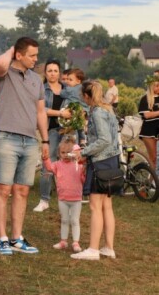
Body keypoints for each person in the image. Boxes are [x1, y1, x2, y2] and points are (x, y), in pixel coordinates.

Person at [0, 37, 49, 255]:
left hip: (29, 140)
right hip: (6, 138)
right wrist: (12, 48)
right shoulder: (3, 75)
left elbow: (40, 112)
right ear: (18, 55)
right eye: (32, 55)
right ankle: (2, 238)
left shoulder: (36, 79)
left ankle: (17, 237)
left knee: (22, 191)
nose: (36, 59)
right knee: (3, 190)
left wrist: (44, 140)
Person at [71, 81, 120, 260]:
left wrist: (83, 152)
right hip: (111, 161)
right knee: (107, 206)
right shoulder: (108, 109)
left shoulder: (98, 112)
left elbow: (104, 140)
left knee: (95, 206)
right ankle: (108, 247)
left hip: (101, 163)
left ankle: (93, 249)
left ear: (86, 96)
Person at [34, 59, 72, 212]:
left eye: (55, 71)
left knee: (68, 164)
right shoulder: (42, 89)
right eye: (49, 70)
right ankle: (44, 199)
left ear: (59, 72)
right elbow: (42, 110)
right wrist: (61, 113)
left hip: (67, 131)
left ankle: (69, 197)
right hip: (51, 130)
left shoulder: (67, 89)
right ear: (45, 73)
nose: (52, 73)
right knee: (47, 165)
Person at [43, 137, 85, 253]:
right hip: (62, 199)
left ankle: (76, 242)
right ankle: (63, 241)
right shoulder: (57, 164)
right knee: (64, 220)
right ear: (59, 153)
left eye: (68, 152)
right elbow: (49, 168)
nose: (66, 155)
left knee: (75, 220)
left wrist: (85, 170)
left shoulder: (79, 165)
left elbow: (83, 179)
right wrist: (46, 158)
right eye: (63, 152)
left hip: (76, 199)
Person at [138, 75, 159, 171]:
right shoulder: (145, 99)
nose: (158, 88)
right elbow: (146, 115)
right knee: (153, 157)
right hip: (149, 130)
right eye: (156, 86)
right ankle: (152, 181)